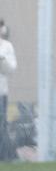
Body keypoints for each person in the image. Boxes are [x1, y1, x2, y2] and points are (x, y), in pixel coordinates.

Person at [0, 19, 17, 161]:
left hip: (1, 93)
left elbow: (11, 69)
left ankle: (5, 156)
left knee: (1, 125)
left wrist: (2, 60)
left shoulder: (7, 46)